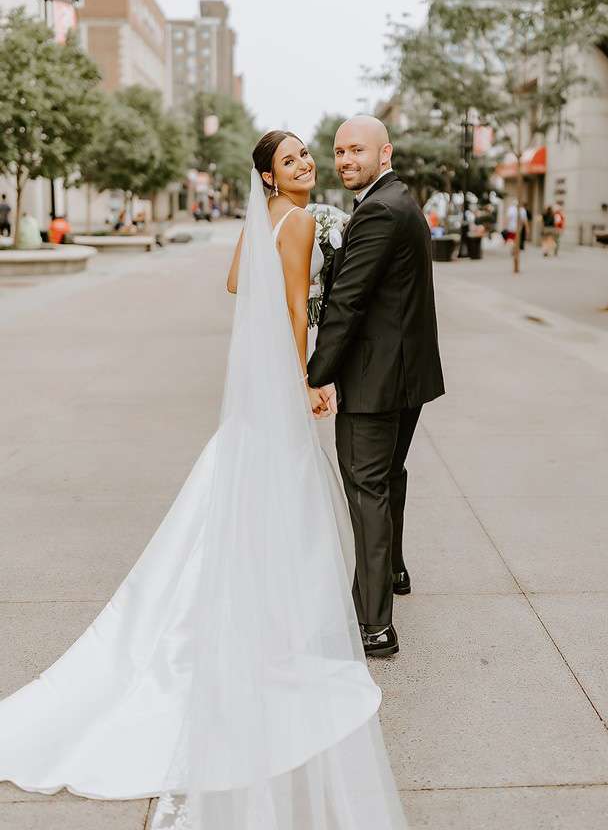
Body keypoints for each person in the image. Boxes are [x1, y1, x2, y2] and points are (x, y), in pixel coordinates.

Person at [0, 131, 408, 830]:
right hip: (280, 386)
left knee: (238, 499)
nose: (308, 165)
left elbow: (236, 284)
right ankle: (273, 633)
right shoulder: (304, 221)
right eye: (293, 162)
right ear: (271, 179)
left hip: (256, 393)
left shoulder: (271, 220)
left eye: (309, 155)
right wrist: (308, 379)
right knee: (282, 508)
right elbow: (285, 310)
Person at [307, 116, 445, 658]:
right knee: (388, 474)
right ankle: (394, 571)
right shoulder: (395, 201)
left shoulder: (380, 211)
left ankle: (375, 625)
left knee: (366, 488)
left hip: (375, 377)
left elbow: (348, 302)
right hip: (406, 374)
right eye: (339, 151)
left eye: (356, 150)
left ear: (384, 152)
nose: (345, 160)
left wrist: (315, 373)